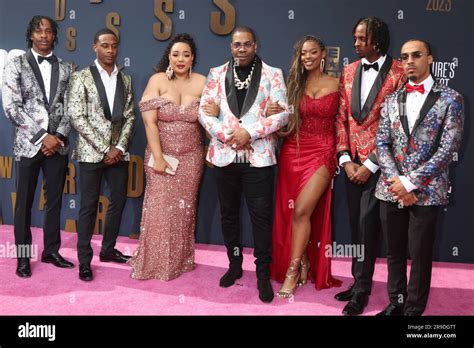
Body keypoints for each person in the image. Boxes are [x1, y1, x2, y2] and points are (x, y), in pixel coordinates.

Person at [198, 26, 289, 303]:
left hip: (258, 157)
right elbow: (204, 112)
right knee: (229, 215)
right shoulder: (216, 73)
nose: (241, 49)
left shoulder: (273, 74)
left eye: (246, 44)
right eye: (237, 44)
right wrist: (230, 136)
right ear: (231, 47)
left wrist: (249, 133)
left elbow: (283, 114)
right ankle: (235, 265)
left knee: (260, 218)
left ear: (255, 45)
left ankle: (262, 273)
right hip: (226, 155)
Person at [375, 39, 464, 316]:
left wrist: (410, 182)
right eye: (404, 57)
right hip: (390, 189)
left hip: (427, 192)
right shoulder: (391, 100)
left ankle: (413, 309)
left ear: (430, 59)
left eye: (416, 55)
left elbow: (449, 148)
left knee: (421, 255)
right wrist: (397, 182)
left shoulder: (451, 98)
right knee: (394, 252)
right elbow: (381, 143)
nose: (409, 61)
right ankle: (397, 302)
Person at [334, 17, 405, 315]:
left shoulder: (401, 72)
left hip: (385, 167)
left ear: (377, 40)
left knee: (382, 231)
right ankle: (359, 283)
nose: (355, 43)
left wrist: (372, 164)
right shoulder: (348, 71)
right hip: (352, 166)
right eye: (355, 37)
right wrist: (345, 158)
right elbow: (341, 118)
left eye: (361, 38)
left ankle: (381, 294)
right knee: (358, 228)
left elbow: (399, 124)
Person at [129, 33, 212, 281]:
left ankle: (180, 260)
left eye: (186, 54)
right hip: (160, 155)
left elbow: (210, 120)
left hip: (191, 158)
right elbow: (149, 122)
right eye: (176, 54)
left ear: (193, 58)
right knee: (159, 209)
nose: (181, 59)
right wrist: (159, 157)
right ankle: (154, 263)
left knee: (184, 210)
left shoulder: (202, 82)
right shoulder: (157, 80)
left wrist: (215, 110)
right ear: (169, 57)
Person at [269, 35, 342, 298]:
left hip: (323, 152)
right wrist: (272, 118)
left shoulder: (339, 83)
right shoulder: (293, 86)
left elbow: (343, 122)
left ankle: (292, 269)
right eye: (303, 53)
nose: (307, 57)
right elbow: (285, 126)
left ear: (323, 53)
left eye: (312, 52)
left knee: (301, 210)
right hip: (293, 151)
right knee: (294, 213)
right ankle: (304, 262)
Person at [2, 15, 74, 278]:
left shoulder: (67, 68)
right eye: (39, 31)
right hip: (29, 145)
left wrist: (59, 136)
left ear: (55, 36)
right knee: (23, 205)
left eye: (49, 31)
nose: (44, 35)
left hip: (58, 146)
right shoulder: (15, 65)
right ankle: (22, 258)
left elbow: (71, 108)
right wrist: (43, 136)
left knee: (55, 202)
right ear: (31, 35)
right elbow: (11, 107)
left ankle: (51, 251)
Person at [68, 28, 136, 281]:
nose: (110, 50)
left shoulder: (126, 79)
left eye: (114, 46)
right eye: (105, 45)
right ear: (94, 47)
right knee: (87, 207)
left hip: (118, 153)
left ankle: (108, 250)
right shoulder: (81, 77)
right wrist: (105, 148)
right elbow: (77, 117)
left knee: (118, 202)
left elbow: (130, 116)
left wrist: (119, 147)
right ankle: (84, 261)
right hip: (91, 154)